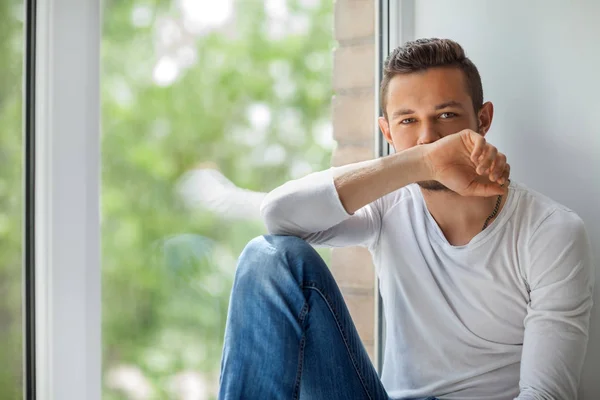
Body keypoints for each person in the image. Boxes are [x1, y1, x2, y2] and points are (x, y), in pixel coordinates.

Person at [218, 38, 595, 400]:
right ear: (386, 132)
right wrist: (422, 162)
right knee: (267, 259)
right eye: (408, 121)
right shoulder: (389, 203)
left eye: (446, 116)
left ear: (483, 119)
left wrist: (420, 156)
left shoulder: (550, 231)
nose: (427, 136)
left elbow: (546, 395)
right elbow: (278, 216)